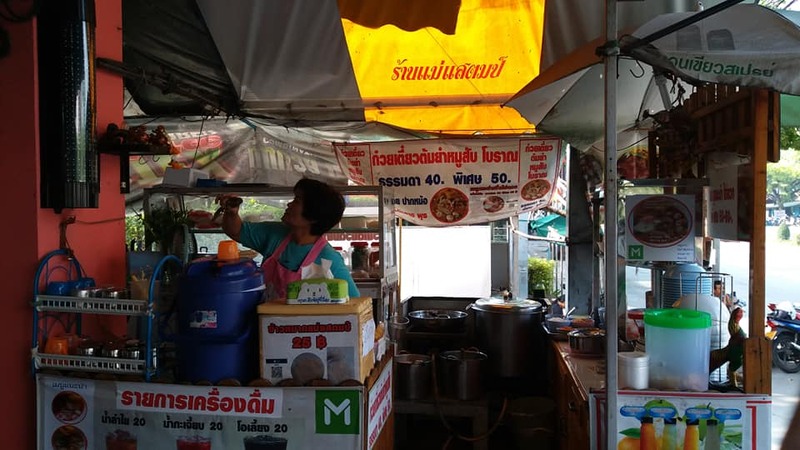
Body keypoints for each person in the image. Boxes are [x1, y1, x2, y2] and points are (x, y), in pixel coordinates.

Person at [216, 178, 359, 301]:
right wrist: (231, 212)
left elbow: (355, 302)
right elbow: (236, 231)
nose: (289, 204)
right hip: (263, 320)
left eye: (297, 200)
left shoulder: (329, 259)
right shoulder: (276, 234)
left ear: (313, 215)